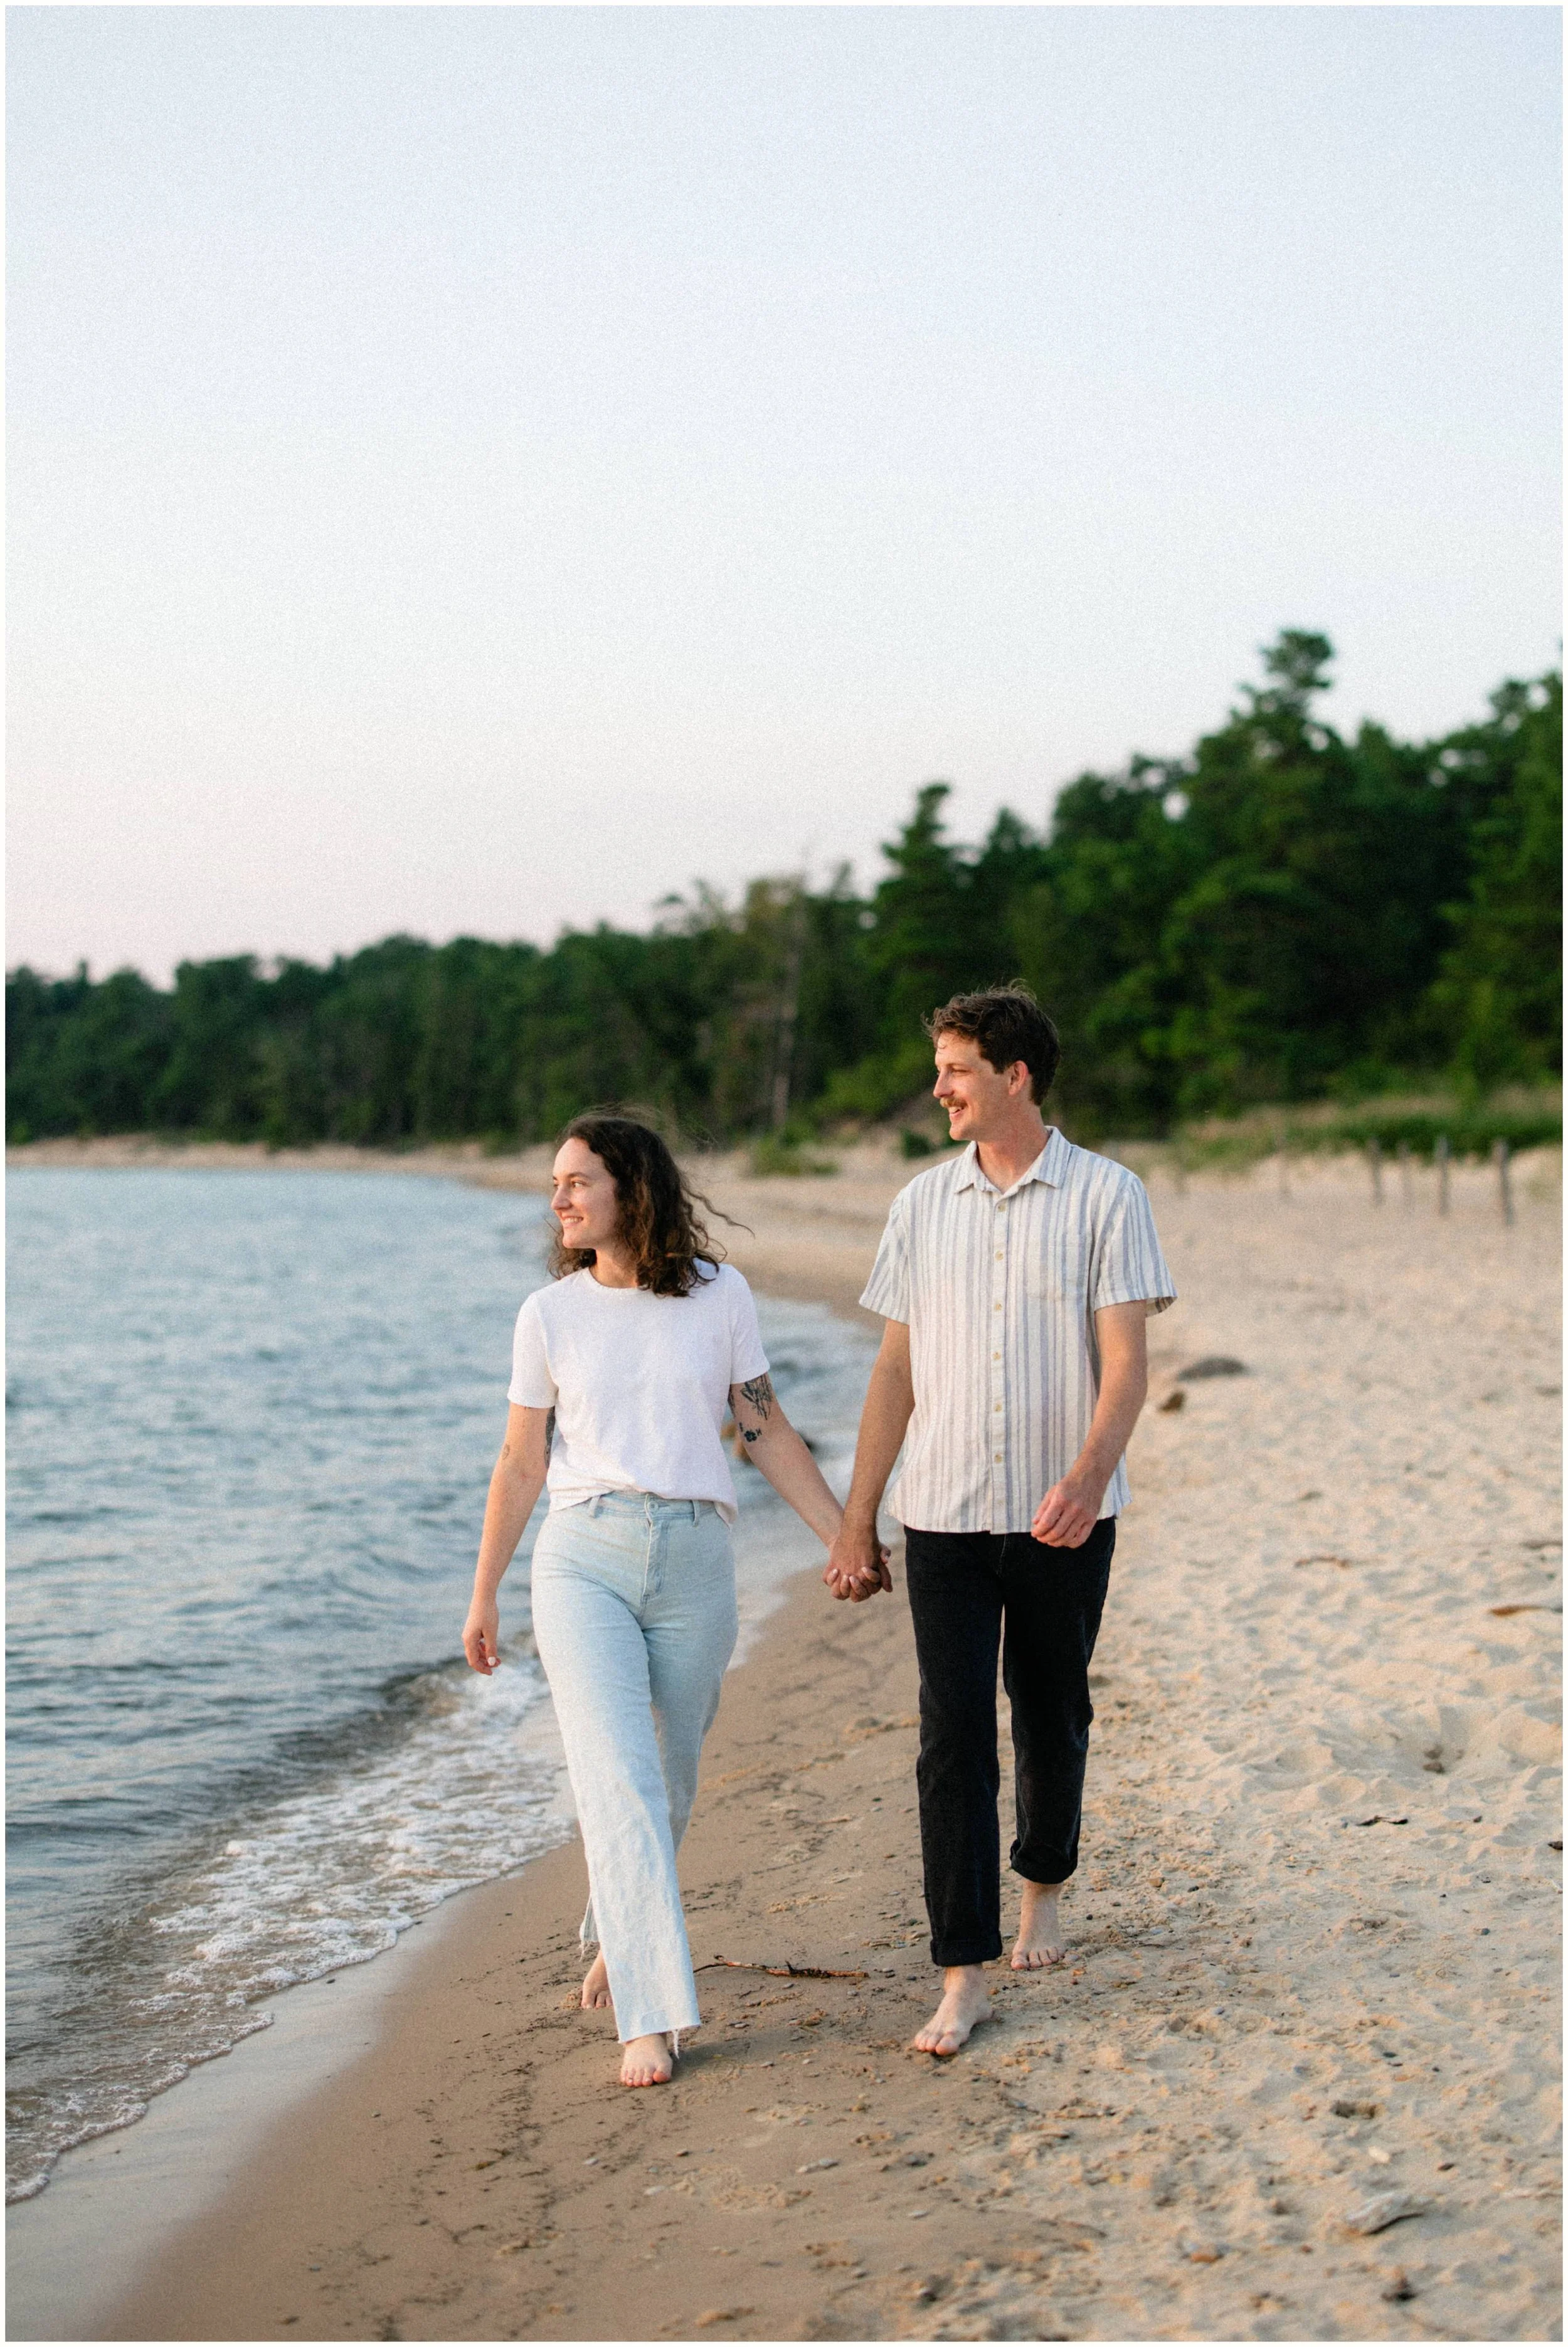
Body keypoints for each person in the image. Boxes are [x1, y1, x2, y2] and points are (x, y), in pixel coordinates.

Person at [464, 1114, 852, 2089]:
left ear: (631, 1187)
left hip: (694, 1556)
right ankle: (654, 2014)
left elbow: (762, 1429)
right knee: (619, 1778)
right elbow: (520, 1463)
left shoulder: (721, 1296)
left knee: (668, 1780)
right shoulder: (547, 1314)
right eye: (554, 1182)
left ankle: (620, 1930)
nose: (557, 1199)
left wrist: (844, 1532)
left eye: (576, 1180)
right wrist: (484, 1596)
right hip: (581, 1554)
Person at [824, 988, 1175, 2057]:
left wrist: (1085, 1476)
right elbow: (896, 1368)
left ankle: (1046, 1886)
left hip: (1065, 1514)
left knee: (1053, 1708)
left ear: (1015, 1075)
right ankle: (962, 1969)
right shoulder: (920, 1205)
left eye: (957, 1069)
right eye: (940, 1068)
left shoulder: (1109, 1196)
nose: (939, 1088)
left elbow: (1125, 1369)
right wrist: (858, 1519)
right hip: (942, 1516)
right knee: (951, 1738)